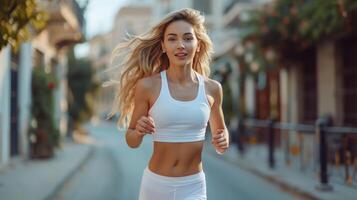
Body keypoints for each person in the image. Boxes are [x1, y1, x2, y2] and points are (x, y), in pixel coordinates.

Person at [109, 8, 229, 200]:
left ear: (198, 44)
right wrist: (138, 130)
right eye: (172, 39)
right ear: (163, 46)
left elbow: (221, 137)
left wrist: (223, 140)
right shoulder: (148, 86)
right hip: (155, 186)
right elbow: (131, 140)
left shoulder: (212, 89)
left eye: (188, 38)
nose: (180, 45)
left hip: (193, 187)